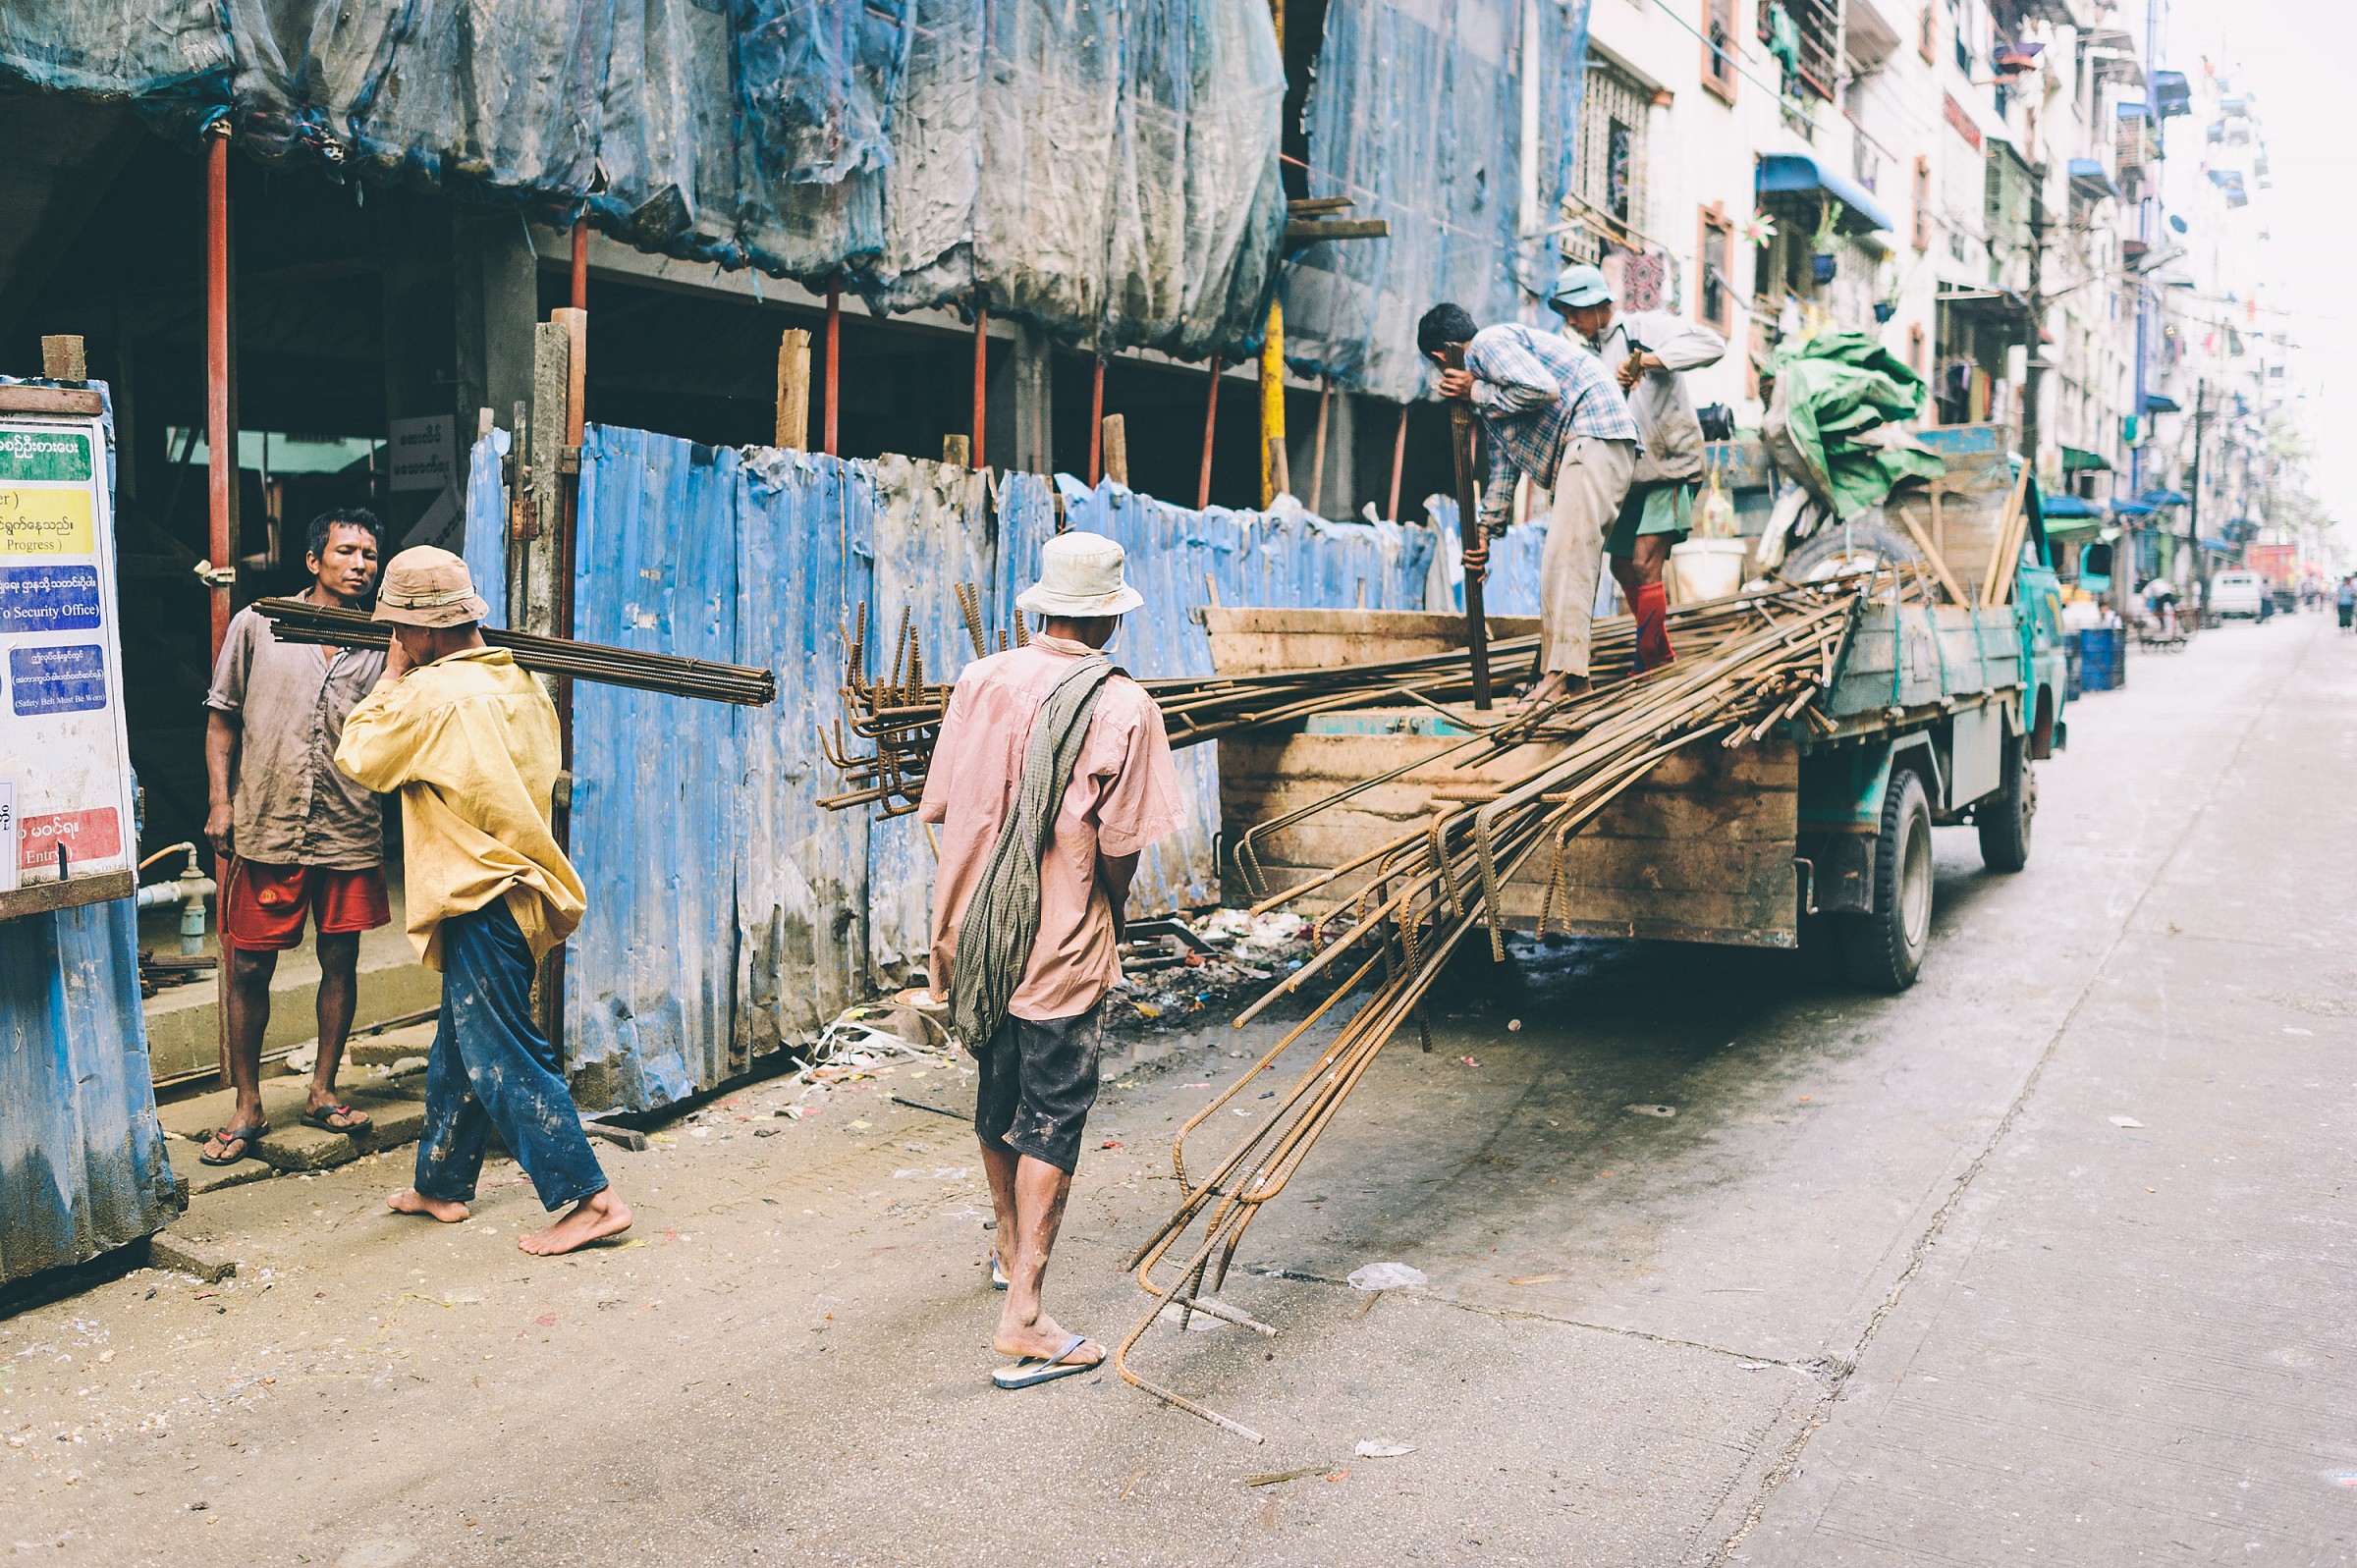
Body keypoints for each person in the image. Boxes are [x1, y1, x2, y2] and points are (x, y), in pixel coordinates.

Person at [918, 531, 1182, 1389]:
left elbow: (941, 808)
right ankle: (1026, 1313)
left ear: (1043, 605)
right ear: (1110, 617)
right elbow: (1120, 847)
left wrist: (975, 899)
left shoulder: (981, 679)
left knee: (997, 1096)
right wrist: (1093, 893)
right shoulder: (1125, 706)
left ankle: (1006, 1244)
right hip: (1060, 941)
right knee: (1053, 1112)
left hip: (973, 934)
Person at [333, 547, 630, 1257]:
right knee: (461, 1043)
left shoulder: (435, 695)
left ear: (425, 631)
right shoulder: (521, 684)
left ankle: (592, 1197)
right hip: (516, 885)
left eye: (401, 630)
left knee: (501, 1049)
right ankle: (441, 1182)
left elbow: (360, 753)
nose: (397, 641)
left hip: (480, 891)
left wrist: (392, 680)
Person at [199, 507, 389, 1165]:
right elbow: (222, 720)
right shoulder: (259, 622)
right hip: (266, 820)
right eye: (345, 551)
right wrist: (221, 802)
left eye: (368, 553)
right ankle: (248, 1103)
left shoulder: (386, 641)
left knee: (342, 960)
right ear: (313, 560)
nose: (359, 563)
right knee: (250, 963)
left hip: (348, 822)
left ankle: (322, 1089)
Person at [1417, 301, 1643, 707]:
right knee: (1560, 562)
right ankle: (1570, 682)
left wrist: (1474, 389)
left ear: (1440, 357)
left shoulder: (1486, 346)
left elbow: (1543, 389)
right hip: (1596, 444)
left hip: (1593, 434)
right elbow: (1506, 463)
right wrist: (1484, 531)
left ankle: (1564, 676)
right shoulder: (1495, 393)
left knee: (1568, 561)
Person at [1547, 263, 1727, 672]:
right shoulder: (1584, 354)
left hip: (1672, 466)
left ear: (1598, 305)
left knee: (1646, 561)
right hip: (1627, 474)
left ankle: (1650, 660)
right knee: (1621, 563)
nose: (1571, 321)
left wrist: (1649, 360)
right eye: (1566, 314)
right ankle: (1658, 652)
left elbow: (1712, 345)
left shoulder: (1644, 327)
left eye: (1575, 311)